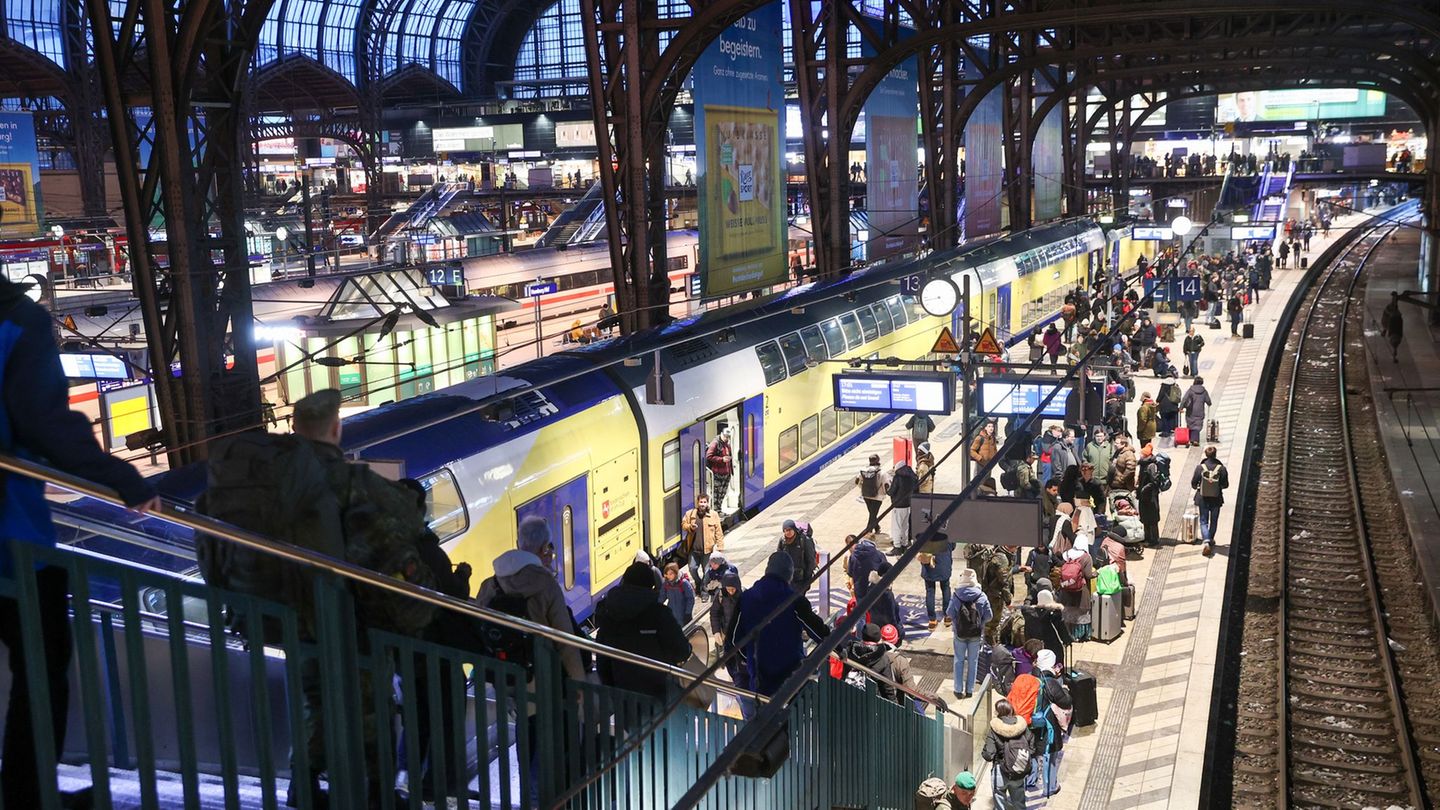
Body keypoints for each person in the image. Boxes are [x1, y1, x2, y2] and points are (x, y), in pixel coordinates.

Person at [0, 276, 160, 808]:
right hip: (10, 542)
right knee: (41, 670)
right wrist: (124, 479)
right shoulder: (15, 320)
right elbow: (45, 422)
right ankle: (29, 795)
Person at [397, 480, 474, 802]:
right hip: (438, 649)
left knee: (417, 720)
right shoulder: (427, 550)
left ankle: (407, 782)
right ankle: (441, 786)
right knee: (446, 719)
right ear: (420, 509)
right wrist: (463, 577)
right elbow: (453, 595)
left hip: (404, 649)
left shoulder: (388, 547)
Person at [729, 552, 830, 696]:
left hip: (760, 680)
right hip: (790, 680)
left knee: (763, 707)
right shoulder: (794, 600)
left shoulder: (745, 598)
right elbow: (817, 630)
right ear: (789, 575)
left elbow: (734, 639)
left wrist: (751, 657)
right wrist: (838, 648)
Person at [594, 562, 691, 700]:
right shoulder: (659, 614)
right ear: (651, 586)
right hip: (657, 694)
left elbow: (602, 660)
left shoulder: (609, 614)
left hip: (621, 694)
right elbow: (681, 651)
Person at [1029, 650, 1073, 796]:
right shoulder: (1050, 682)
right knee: (1050, 755)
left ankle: (1030, 780)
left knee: (1033, 753)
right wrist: (1065, 689)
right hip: (1046, 725)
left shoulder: (1030, 675)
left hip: (1030, 723)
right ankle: (1050, 787)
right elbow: (1066, 702)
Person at [946, 567, 993, 698]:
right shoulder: (982, 596)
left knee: (959, 660)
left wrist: (957, 621)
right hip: (976, 634)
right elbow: (989, 616)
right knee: (973, 661)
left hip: (959, 634)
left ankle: (958, 689)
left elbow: (949, 613)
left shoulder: (956, 595)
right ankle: (970, 690)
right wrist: (980, 622)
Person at [981, 698, 1032, 810]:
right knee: (1019, 802)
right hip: (1018, 768)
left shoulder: (994, 729)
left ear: (998, 712)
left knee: (1000, 800)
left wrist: (984, 750)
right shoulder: (1022, 726)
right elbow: (1032, 747)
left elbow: (988, 755)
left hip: (1000, 770)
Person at [680, 493, 724, 592]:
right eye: (701, 502)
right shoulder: (690, 514)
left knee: (707, 571)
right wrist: (690, 527)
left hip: (708, 550)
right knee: (692, 568)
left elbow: (719, 532)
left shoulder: (713, 515)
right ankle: (698, 582)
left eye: (704, 502)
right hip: (693, 549)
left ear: (707, 503)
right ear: (697, 503)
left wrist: (720, 547)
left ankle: (704, 589)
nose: (702, 504)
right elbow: (683, 524)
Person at [1191, 446, 1230, 557]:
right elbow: (1226, 485)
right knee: (1214, 520)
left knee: (1203, 521)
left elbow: (1193, 483)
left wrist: (1199, 487)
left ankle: (1206, 541)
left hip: (1202, 498)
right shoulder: (1221, 468)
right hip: (1216, 499)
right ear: (1215, 454)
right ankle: (1211, 539)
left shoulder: (1200, 467)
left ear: (1206, 454)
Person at [1056, 535, 1096, 642]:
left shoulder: (1067, 554)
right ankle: (1079, 635)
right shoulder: (1086, 557)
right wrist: (1095, 574)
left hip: (1066, 588)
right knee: (1081, 613)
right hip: (1081, 590)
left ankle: (1068, 634)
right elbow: (1088, 575)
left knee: (1068, 611)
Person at [710, 571, 745, 682]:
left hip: (741, 635)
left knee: (742, 660)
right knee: (730, 660)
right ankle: (733, 679)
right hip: (726, 634)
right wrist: (716, 631)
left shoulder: (745, 596)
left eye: (733, 589)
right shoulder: (720, 596)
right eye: (728, 589)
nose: (730, 592)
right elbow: (714, 613)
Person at [918, 533, 955, 630]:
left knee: (930, 591)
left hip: (929, 566)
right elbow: (953, 546)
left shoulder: (925, 531)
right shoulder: (948, 531)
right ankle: (947, 616)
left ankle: (932, 620)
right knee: (946, 588)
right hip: (944, 563)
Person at [1022, 590, 1068, 664]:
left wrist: (1033, 591)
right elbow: (1062, 631)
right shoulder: (1054, 615)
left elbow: (1026, 602)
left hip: (1032, 648)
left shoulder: (1027, 613)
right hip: (1051, 648)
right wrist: (1068, 640)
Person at [887, 460, 920, 552]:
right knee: (905, 526)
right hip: (908, 505)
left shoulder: (898, 477)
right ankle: (904, 545)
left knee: (896, 527)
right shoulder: (913, 476)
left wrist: (887, 489)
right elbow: (916, 490)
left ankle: (897, 547)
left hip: (898, 505)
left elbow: (891, 492)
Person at [777, 519, 817, 590]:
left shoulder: (804, 540)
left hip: (801, 579)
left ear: (794, 529)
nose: (787, 532)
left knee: (797, 596)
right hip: (787, 578)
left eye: (789, 530)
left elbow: (810, 560)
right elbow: (778, 558)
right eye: (785, 530)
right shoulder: (782, 541)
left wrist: (807, 579)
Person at [1137, 445, 1163, 547]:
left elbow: (1155, 481)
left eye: (1142, 454)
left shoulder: (1151, 466)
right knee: (1145, 517)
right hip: (1144, 496)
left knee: (1152, 519)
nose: (1140, 455)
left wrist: (1145, 488)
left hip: (1150, 497)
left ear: (1146, 455)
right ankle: (1147, 538)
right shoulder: (1143, 464)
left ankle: (1154, 539)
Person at [705, 428, 735, 510]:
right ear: (721, 433)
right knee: (716, 494)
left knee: (722, 493)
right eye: (725, 436)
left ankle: (719, 509)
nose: (726, 438)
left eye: (728, 437)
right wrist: (722, 459)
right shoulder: (715, 443)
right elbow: (709, 456)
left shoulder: (727, 444)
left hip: (726, 473)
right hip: (718, 473)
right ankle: (715, 510)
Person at [856, 454, 886, 536]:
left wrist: (862, 488)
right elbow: (885, 484)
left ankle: (877, 527)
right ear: (878, 461)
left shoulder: (864, 471)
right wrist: (884, 493)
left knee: (872, 513)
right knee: (873, 514)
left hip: (866, 495)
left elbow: (857, 481)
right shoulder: (881, 472)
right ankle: (868, 531)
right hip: (878, 497)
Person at [1081, 428, 1115, 497]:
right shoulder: (1089, 446)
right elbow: (1084, 459)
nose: (1099, 438)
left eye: (1101, 436)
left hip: (1105, 480)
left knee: (1103, 499)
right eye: (1097, 436)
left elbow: (1113, 459)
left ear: (1104, 437)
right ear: (1094, 436)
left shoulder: (1109, 446)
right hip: (1092, 480)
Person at [1180, 376, 1211, 447]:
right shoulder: (1204, 391)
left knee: (1190, 424)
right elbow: (1208, 401)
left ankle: (1190, 439)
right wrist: (1209, 403)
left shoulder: (1191, 390)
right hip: (1200, 411)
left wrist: (1181, 408)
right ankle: (1195, 440)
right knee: (1197, 425)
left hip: (1190, 410)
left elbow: (1184, 399)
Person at [1157, 374, 1182, 439]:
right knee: (1171, 417)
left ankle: (1165, 431)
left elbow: (1161, 394)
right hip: (1173, 404)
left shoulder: (1164, 385)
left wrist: (1158, 400)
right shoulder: (1175, 385)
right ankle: (1171, 429)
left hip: (1164, 404)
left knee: (1165, 418)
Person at [1382, 291, 1404, 362]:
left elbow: (1386, 322)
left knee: (1395, 342)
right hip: (1396, 330)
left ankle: (1394, 356)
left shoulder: (1391, 314)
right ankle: (1394, 356)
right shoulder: (1395, 314)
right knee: (1395, 342)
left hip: (1395, 330)